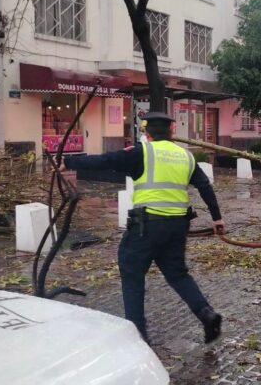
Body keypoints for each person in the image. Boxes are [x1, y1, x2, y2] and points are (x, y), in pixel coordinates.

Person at [61, 112, 225, 345]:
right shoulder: (186, 156)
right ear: (171, 132)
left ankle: (138, 336)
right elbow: (204, 186)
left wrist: (69, 161)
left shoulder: (142, 152)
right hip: (177, 227)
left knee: (132, 273)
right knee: (178, 274)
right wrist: (217, 218)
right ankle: (206, 313)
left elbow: (106, 160)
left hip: (146, 226)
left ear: (147, 134)